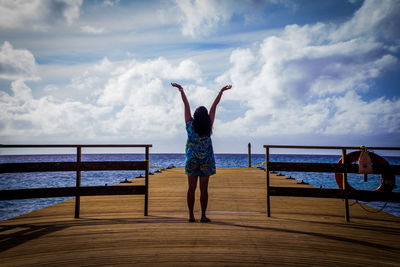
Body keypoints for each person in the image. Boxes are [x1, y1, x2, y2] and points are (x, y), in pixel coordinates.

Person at [171, 82, 232, 222]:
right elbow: (214, 107)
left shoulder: (190, 125)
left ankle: (191, 216)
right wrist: (221, 92)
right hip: (206, 161)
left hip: (192, 161)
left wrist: (181, 91)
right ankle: (203, 215)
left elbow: (186, 106)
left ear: (195, 116)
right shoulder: (209, 125)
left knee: (191, 189)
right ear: (205, 117)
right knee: (204, 190)